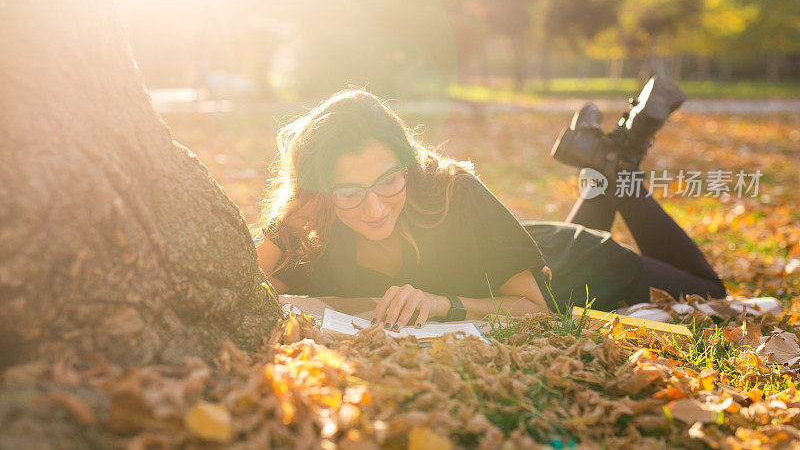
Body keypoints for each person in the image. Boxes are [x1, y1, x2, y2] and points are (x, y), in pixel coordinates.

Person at [256, 84, 725, 331]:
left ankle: (615, 165)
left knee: (712, 290)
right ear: (318, 192)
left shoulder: (449, 189)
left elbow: (537, 311)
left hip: (572, 268)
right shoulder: (317, 227)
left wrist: (443, 304)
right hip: (515, 252)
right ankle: (616, 148)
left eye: (388, 181)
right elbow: (248, 286)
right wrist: (285, 221)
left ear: (407, 165)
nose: (375, 208)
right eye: (350, 192)